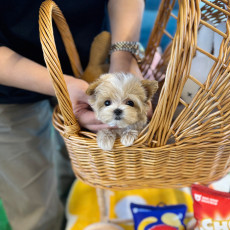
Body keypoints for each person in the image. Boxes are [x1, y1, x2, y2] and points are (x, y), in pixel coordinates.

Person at [0, 0, 145, 229]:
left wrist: (123, 59)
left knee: (80, 172)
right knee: (34, 206)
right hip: (7, 87)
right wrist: (60, 85)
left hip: (88, 68)